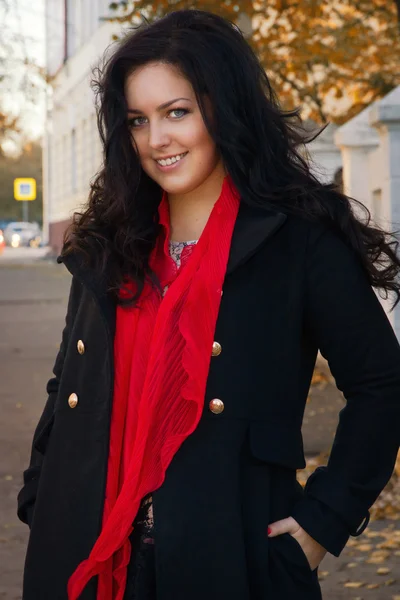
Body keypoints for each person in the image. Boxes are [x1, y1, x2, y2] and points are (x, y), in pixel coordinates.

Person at [17, 9, 400, 600]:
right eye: (138, 119)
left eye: (178, 112)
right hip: (89, 555)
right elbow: (68, 378)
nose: (157, 139)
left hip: (232, 557)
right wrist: (41, 494)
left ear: (226, 108)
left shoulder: (297, 238)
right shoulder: (109, 241)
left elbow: (382, 384)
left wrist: (323, 522)